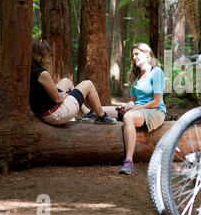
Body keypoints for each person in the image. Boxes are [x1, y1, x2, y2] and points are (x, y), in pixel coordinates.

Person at [29, 38, 117, 125]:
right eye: (46, 54)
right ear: (40, 56)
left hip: (45, 111)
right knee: (88, 84)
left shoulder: (31, 70)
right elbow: (58, 99)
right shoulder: (42, 74)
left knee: (66, 81)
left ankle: (86, 112)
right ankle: (101, 116)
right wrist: (65, 95)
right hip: (55, 115)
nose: (49, 57)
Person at [117, 43, 166, 175]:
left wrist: (134, 109)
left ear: (147, 54)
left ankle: (128, 161)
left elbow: (156, 102)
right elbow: (133, 101)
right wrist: (128, 106)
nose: (134, 57)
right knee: (108, 110)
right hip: (139, 110)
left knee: (128, 117)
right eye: (133, 55)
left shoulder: (156, 72)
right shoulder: (136, 76)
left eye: (137, 54)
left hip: (155, 112)